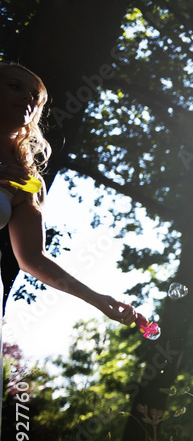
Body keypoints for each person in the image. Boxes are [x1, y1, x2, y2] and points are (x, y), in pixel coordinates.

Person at [0, 62, 141, 369]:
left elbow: (33, 259)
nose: (27, 98)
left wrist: (97, 299)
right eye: (15, 86)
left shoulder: (25, 179)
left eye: (34, 97)